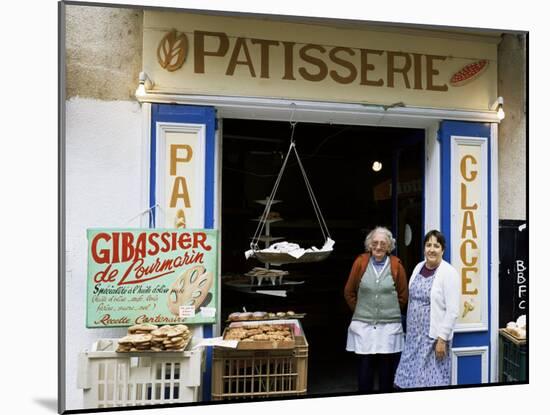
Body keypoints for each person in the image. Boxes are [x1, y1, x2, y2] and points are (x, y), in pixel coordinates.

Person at [344, 226, 408, 393]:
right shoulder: (360, 262)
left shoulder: (396, 265)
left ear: (389, 246)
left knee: (386, 369)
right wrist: (361, 311)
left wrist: (389, 311)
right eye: (375, 243)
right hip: (364, 326)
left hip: (388, 328)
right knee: (365, 367)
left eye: (383, 243)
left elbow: (402, 296)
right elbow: (349, 292)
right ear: (369, 245)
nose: (378, 247)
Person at [394, 230, 460, 388]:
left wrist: (442, 339)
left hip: (433, 339)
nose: (431, 249)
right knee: (407, 380)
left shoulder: (449, 273)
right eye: (428, 245)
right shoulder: (418, 267)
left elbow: (452, 311)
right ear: (424, 248)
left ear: (442, 250)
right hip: (413, 338)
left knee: (428, 382)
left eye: (436, 246)